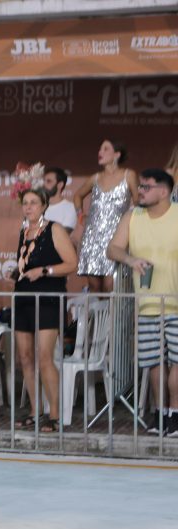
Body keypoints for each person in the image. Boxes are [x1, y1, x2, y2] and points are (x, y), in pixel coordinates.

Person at [106, 170, 178, 434]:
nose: (141, 191)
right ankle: (159, 413)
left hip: (176, 302)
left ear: (164, 191)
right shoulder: (132, 216)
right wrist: (130, 260)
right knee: (155, 363)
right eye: (141, 187)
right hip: (147, 302)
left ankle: (175, 413)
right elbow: (112, 248)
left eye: (147, 187)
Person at [5, 188, 78, 432]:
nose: (28, 207)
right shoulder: (23, 231)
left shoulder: (54, 229)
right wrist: (17, 273)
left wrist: (44, 271)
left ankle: (54, 415)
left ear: (44, 205)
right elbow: (28, 265)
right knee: (25, 357)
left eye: (34, 203)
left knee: (45, 356)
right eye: (25, 203)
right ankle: (35, 411)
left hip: (47, 298)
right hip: (23, 297)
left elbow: (71, 263)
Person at [73, 139, 138, 293]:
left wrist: (130, 219)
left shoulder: (129, 175)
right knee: (95, 286)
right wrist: (80, 215)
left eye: (105, 149)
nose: (100, 152)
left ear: (117, 154)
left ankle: (111, 318)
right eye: (100, 149)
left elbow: (137, 201)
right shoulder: (95, 178)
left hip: (116, 238)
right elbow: (77, 196)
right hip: (92, 237)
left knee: (111, 286)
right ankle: (95, 318)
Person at [43, 167, 78, 232]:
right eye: (43, 181)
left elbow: (63, 236)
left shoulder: (70, 208)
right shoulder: (38, 207)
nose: (44, 185)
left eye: (48, 181)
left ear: (60, 185)